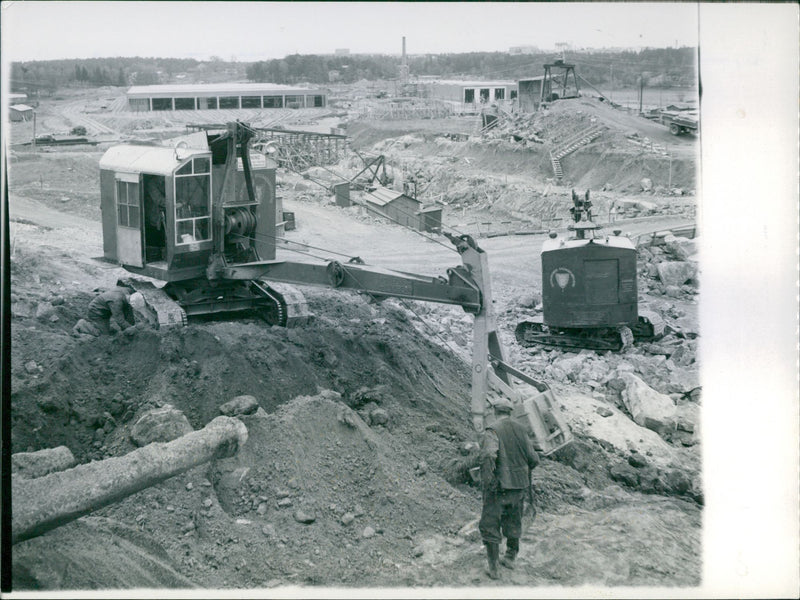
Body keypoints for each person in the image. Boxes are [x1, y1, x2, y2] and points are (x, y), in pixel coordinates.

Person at [478, 398, 540, 579]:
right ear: (510, 412)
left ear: (494, 411)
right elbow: (534, 459)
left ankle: (494, 568)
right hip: (519, 487)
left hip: (499, 487)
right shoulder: (521, 429)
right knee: (514, 520)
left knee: (490, 523)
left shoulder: (492, 430)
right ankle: (511, 557)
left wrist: (488, 481)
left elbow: (489, 454)